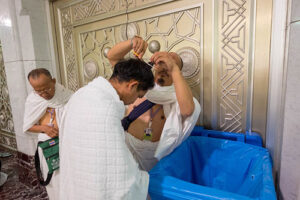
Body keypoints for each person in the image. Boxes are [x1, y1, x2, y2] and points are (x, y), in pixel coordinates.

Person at [59, 55, 154, 199]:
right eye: (139, 95)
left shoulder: (80, 94)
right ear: (132, 85)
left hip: (75, 175)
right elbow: (117, 172)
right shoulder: (107, 107)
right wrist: (139, 179)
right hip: (93, 186)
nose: (137, 100)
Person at [107, 36, 201, 171]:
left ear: (177, 73)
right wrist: (132, 42)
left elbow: (187, 110)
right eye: (166, 58)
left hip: (149, 159)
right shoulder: (139, 83)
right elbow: (112, 57)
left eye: (172, 61)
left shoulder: (176, 97)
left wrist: (173, 67)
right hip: (123, 146)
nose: (167, 61)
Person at [23, 68, 73, 200]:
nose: (43, 94)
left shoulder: (65, 94)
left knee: (70, 178)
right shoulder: (33, 100)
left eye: (46, 89)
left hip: (68, 143)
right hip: (49, 147)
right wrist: (44, 128)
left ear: (53, 81)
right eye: (38, 91)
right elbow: (28, 126)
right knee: (54, 180)